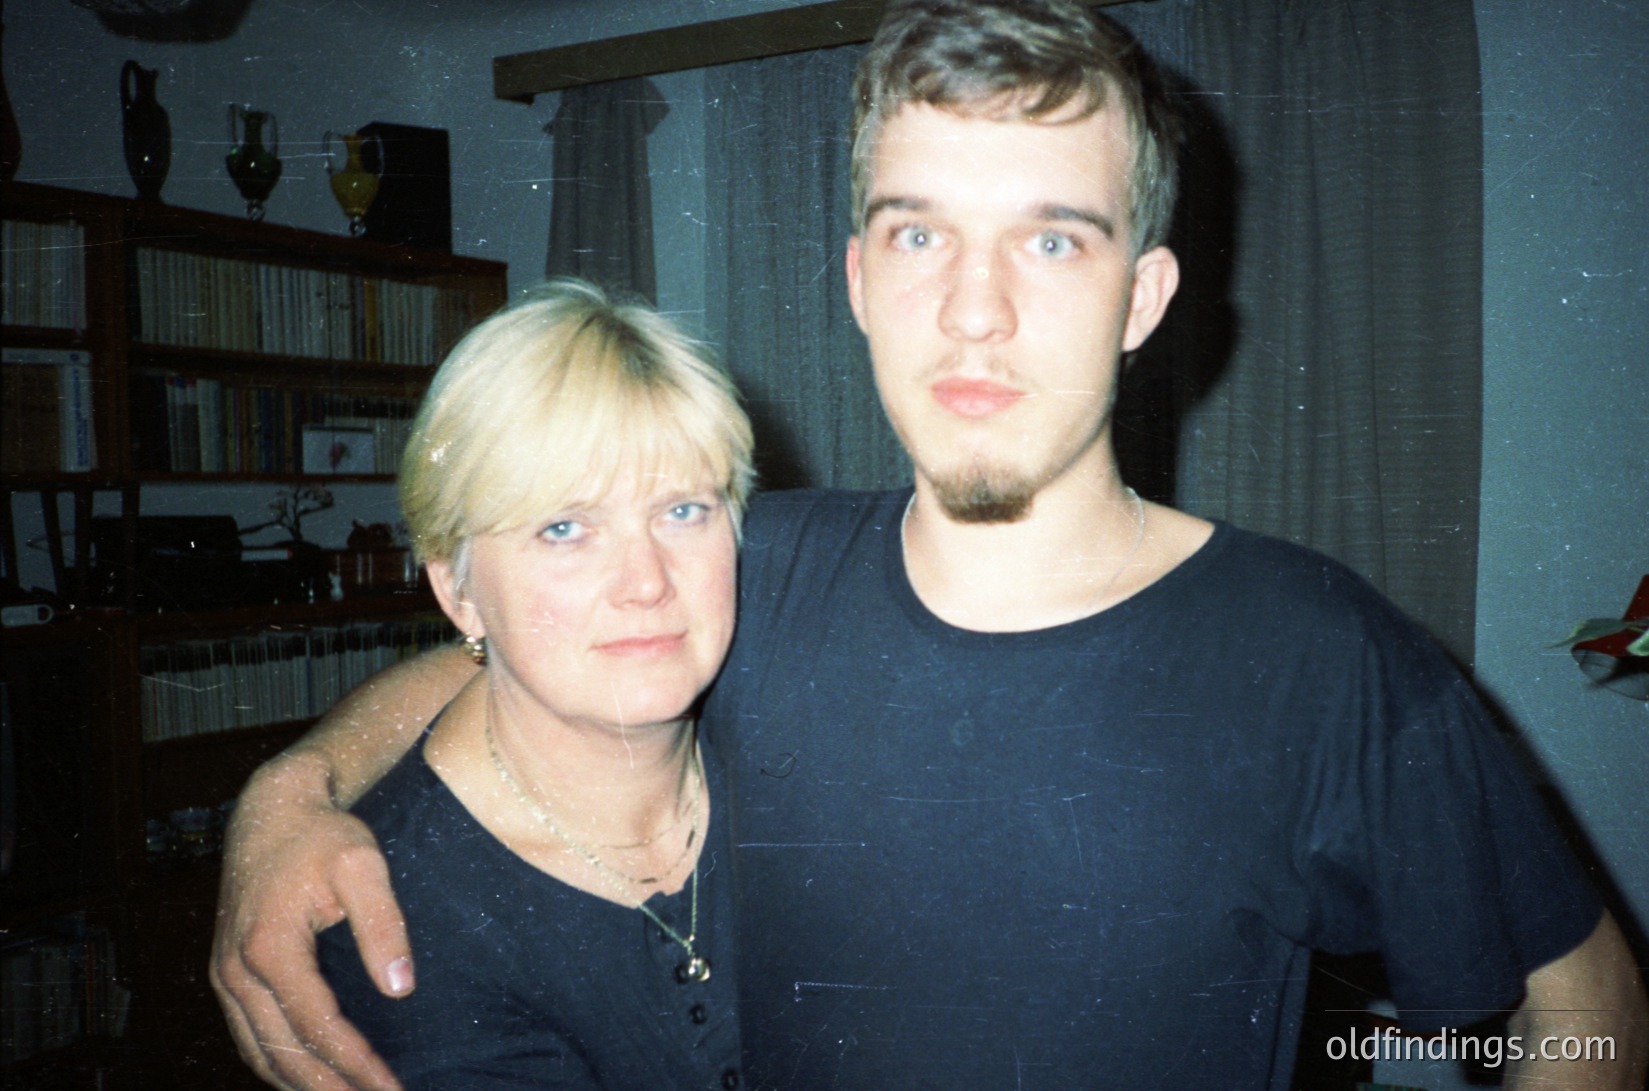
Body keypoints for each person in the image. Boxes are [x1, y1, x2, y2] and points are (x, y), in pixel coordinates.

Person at [212, 2, 1648, 1089]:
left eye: (1049, 241)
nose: (973, 310)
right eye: (917, 237)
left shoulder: (1317, 655)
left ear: (1143, 296)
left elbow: (1576, 993)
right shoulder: (744, 572)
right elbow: (524, 639)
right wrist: (289, 791)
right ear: (856, 278)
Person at [302, 279, 754, 1089]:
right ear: (457, 589)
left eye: (684, 510)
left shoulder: (806, 727)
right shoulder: (406, 920)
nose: (646, 581)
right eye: (564, 528)